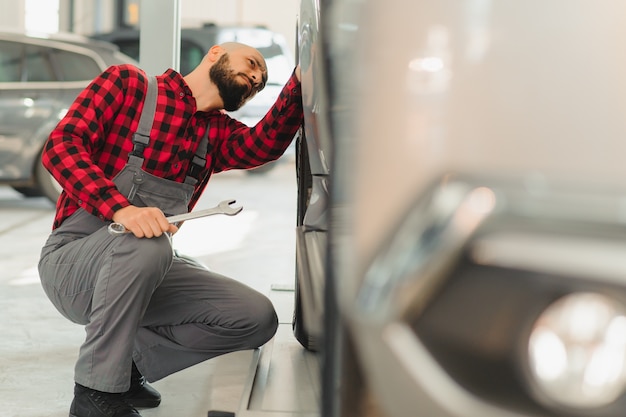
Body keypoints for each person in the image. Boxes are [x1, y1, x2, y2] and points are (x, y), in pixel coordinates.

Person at [37, 41, 303, 417]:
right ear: (215, 52)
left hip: (147, 266)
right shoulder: (128, 84)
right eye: (252, 63)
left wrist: (301, 80)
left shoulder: (216, 135)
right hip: (73, 264)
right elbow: (61, 146)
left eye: (261, 80)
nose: (257, 76)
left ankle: (127, 367)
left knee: (253, 316)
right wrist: (121, 209)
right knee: (149, 243)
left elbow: (264, 145)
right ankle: (94, 394)